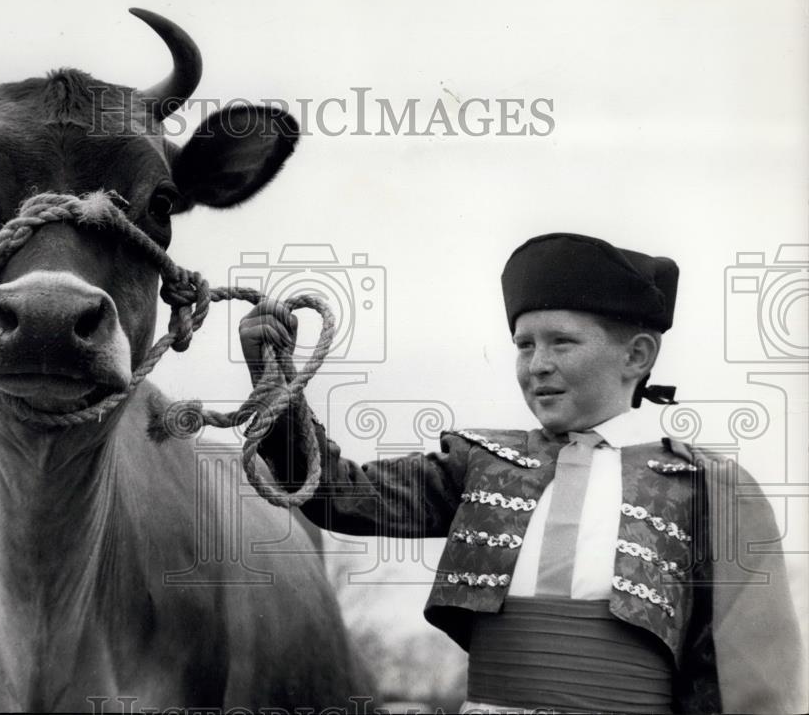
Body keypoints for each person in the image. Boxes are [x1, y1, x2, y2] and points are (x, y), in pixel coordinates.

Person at [239, 232, 805, 714]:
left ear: (636, 356)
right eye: (524, 344)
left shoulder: (713, 490)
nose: (538, 365)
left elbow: (755, 682)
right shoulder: (479, 464)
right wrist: (275, 380)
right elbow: (339, 494)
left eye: (562, 341)